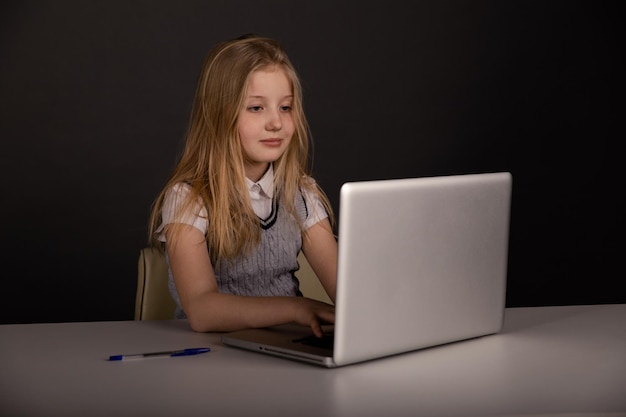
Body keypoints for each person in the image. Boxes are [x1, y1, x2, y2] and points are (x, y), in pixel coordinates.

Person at [147, 34, 337, 338]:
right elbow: (202, 310)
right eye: (256, 108)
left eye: (285, 107)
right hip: (214, 357)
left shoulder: (302, 194)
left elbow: (346, 289)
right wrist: (295, 308)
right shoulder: (189, 199)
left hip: (287, 351)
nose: (276, 122)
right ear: (219, 114)